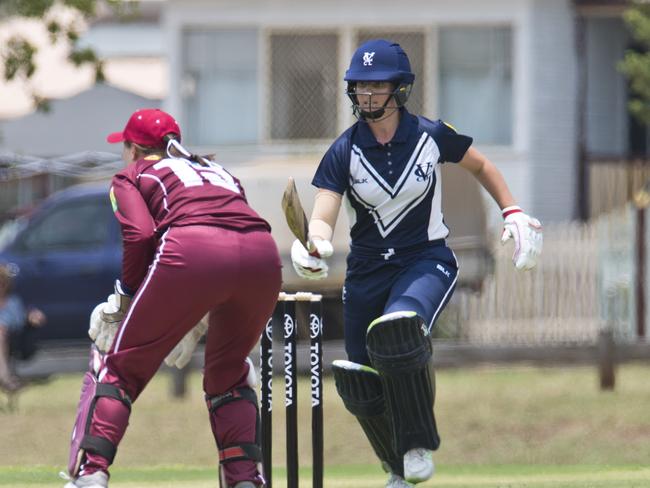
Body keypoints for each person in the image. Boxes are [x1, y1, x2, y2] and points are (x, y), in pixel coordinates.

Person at [290, 39, 543, 487]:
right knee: (358, 380)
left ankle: (416, 443)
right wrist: (314, 242)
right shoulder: (344, 150)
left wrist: (513, 211)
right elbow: (325, 208)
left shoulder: (431, 135)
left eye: (375, 84)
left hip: (426, 261)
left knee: (398, 331)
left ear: (399, 88)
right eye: (359, 85)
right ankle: (396, 470)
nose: (365, 94)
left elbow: (481, 166)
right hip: (366, 273)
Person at [63, 109, 282, 488]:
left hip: (192, 251)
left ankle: (92, 472)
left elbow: (141, 235)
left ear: (132, 148)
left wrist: (126, 298)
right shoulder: (219, 171)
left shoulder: (130, 176)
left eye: (125, 147)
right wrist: (196, 313)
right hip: (264, 256)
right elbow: (232, 228)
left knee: (121, 369)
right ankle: (244, 479)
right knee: (228, 374)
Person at [0, 264, 46, 392]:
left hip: (13, 341)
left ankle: (4, 377)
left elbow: (20, 322)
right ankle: (6, 379)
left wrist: (32, 317)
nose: (1, 286)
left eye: (2, 283)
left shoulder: (13, 303)